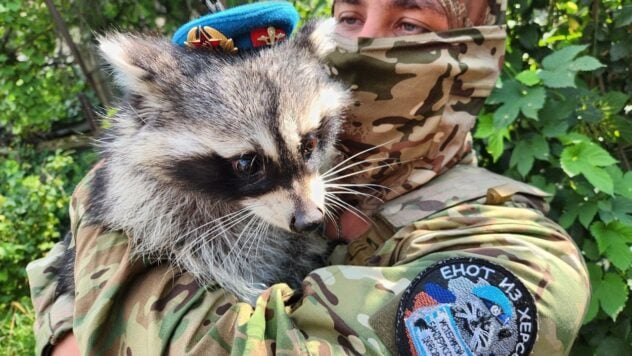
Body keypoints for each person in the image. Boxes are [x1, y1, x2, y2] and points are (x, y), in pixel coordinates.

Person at [28, 0, 590, 355]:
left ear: (478, 49)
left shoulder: (511, 250)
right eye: (350, 17)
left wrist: (93, 293)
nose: (365, 41)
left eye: (410, 21)